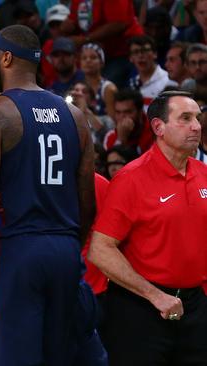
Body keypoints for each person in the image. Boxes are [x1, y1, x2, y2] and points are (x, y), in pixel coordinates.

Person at [0, 24, 99, 365]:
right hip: (65, 249)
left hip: (17, 252)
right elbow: (89, 202)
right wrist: (69, 243)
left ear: (6, 58)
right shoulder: (74, 116)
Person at [88, 90, 207, 365]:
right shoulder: (131, 179)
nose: (197, 126)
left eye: (198, 119)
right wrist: (155, 296)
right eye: (185, 118)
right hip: (140, 309)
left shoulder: (203, 174)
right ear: (158, 127)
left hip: (195, 307)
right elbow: (100, 250)